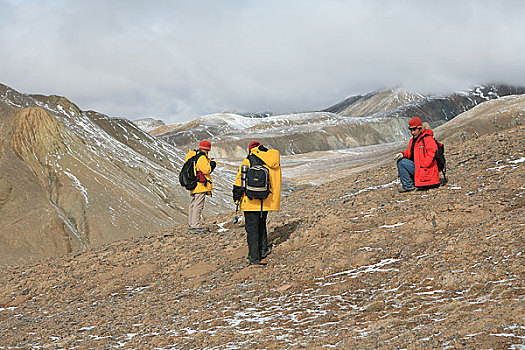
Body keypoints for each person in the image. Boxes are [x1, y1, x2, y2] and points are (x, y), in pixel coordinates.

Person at [232, 141, 281, 266]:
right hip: (265, 200)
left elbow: (239, 180)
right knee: (261, 224)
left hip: (250, 200)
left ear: (250, 150)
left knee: (252, 229)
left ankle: (254, 257)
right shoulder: (273, 159)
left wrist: (236, 198)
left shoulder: (248, 161)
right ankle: (263, 250)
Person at [394, 116, 440, 192]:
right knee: (401, 161)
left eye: (414, 129)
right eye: (411, 130)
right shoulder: (413, 141)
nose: (412, 132)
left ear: (420, 128)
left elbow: (433, 153)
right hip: (420, 168)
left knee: (401, 163)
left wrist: (423, 166)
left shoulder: (427, 138)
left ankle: (408, 186)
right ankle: (413, 183)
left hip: (426, 170)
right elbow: (409, 153)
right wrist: (402, 154)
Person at [186, 140, 216, 234]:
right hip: (200, 185)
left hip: (194, 185)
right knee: (198, 206)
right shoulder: (201, 158)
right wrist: (212, 164)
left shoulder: (194, 156)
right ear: (207, 149)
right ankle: (195, 226)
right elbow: (206, 170)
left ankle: (191, 224)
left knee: (193, 205)